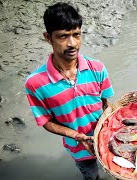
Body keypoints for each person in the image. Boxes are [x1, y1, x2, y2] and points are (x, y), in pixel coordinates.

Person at [25, 2, 114, 180]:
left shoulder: (97, 68)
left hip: (107, 141)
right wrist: (76, 136)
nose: (72, 43)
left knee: (119, 170)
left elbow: (106, 103)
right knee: (91, 176)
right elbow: (46, 121)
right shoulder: (35, 83)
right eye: (63, 36)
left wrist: (111, 130)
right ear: (48, 38)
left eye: (76, 35)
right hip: (78, 149)